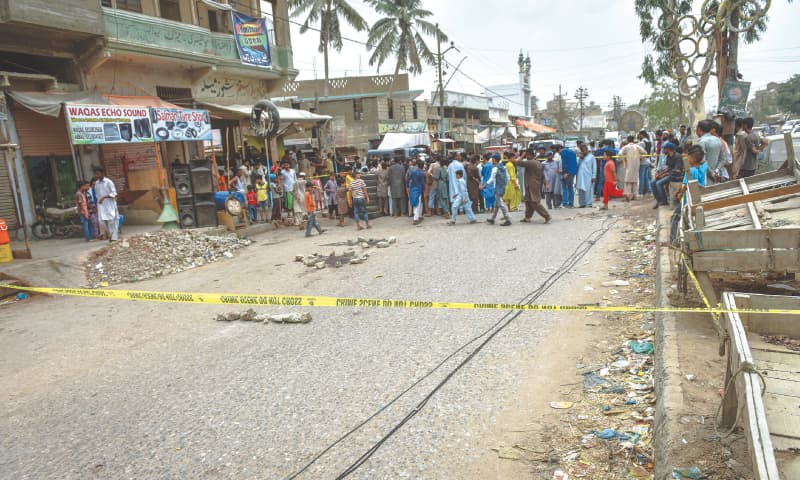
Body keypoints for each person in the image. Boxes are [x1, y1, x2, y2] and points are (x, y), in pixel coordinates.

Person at [671, 145, 708, 241]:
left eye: (688, 156)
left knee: (675, 218)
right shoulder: (702, 168)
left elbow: (686, 185)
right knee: (687, 220)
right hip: (697, 198)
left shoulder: (690, 170)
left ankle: (674, 240)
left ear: (693, 158)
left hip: (688, 199)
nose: (686, 159)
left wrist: (680, 194)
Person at [517, 149, 552, 223]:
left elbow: (518, 162)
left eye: (526, 155)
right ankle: (527, 217)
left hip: (531, 185)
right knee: (528, 201)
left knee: (534, 202)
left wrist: (522, 155)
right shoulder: (538, 163)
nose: (525, 157)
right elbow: (543, 175)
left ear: (529, 155)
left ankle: (547, 216)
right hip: (535, 185)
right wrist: (546, 184)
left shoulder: (530, 162)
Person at [651, 142, 684, 208]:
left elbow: (676, 170)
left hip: (676, 176)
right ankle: (659, 200)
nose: (663, 150)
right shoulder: (668, 156)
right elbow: (667, 168)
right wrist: (660, 174)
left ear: (668, 149)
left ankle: (664, 200)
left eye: (664, 149)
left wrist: (664, 174)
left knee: (658, 183)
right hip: (669, 174)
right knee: (653, 182)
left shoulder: (677, 156)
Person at [482, 154, 511, 226]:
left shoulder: (495, 168)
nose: (491, 160)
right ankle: (492, 218)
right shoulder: (503, 167)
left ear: (495, 160)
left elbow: (491, 179)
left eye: (492, 159)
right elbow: (508, 178)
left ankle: (507, 219)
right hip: (502, 187)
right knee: (497, 204)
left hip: (497, 187)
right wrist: (504, 185)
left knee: (500, 203)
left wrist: (484, 185)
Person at [93, 167, 119, 242]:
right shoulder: (97, 183)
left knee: (111, 221)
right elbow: (97, 195)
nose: (97, 175)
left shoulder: (108, 182)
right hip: (101, 205)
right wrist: (98, 203)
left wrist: (104, 197)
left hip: (109, 204)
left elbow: (114, 193)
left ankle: (114, 237)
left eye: (98, 173)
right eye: (96, 174)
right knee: (101, 221)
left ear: (102, 173)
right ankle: (110, 234)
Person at [696, 119, 724, 184]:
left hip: (705, 179)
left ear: (699, 129)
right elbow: (723, 159)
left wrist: (712, 174)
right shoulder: (718, 140)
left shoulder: (701, 142)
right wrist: (716, 171)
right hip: (717, 177)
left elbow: (702, 161)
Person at [619, 136, 647, 201]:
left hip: (629, 165)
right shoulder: (637, 146)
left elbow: (620, 154)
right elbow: (645, 153)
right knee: (635, 181)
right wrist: (640, 158)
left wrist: (624, 159)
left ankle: (628, 195)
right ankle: (635, 195)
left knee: (628, 181)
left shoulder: (626, 147)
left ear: (627, 140)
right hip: (636, 166)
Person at [407, 159, 426, 225]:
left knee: (417, 202)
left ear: (417, 165)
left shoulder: (413, 171)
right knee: (418, 203)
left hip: (413, 188)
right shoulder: (421, 173)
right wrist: (424, 189)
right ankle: (415, 219)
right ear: (423, 166)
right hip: (419, 189)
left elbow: (408, 179)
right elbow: (422, 183)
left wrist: (408, 187)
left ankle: (419, 216)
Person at [637, 130, 653, 196]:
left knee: (642, 177)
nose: (639, 136)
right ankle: (649, 191)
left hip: (643, 162)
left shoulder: (641, 143)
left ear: (642, 135)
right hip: (648, 161)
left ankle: (641, 192)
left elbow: (639, 152)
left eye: (639, 135)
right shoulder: (649, 142)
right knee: (647, 177)